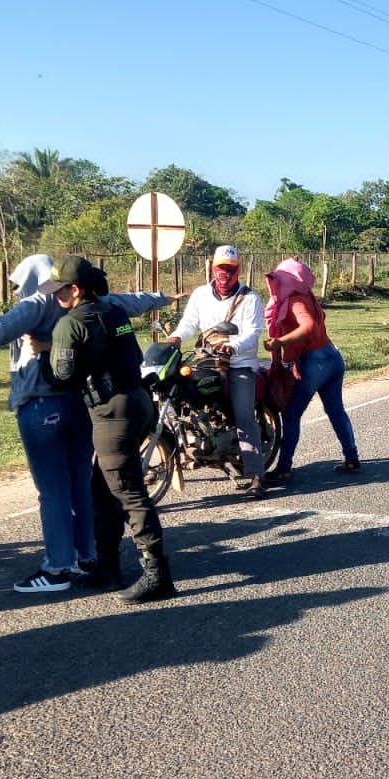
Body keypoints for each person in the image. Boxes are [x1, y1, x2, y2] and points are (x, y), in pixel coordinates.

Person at [0, 254, 171, 594]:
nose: (20, 292)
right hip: (89, 404)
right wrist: (161, 298)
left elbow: (2, 328)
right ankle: (92, 558)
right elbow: (127, 308)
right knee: (88, 484)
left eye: (21, 284)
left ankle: (62, 566)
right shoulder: (107, 308)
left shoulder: (44, 307)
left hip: (53, 403)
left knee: (69, 490)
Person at [36, 256, 175, 603]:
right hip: (138, 401)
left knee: (127, 492)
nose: (57, 296)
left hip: (112, 414)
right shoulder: (113, 312)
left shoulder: (70, 323)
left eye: (61, 289)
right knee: (103, 488)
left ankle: (158, 573)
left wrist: (44, 353)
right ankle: (108, 568)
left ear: (76, 289)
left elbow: (63, 376)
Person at [164, 244, 268, 497]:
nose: (225, 274)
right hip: (207, 359)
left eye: (230, 269)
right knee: (181, 391)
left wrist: (231, 346)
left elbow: (253, 333)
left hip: (239, 364)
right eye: (221, 268)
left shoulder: (250, 298)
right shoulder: (200, 294)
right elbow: (189, 323)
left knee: (244, 416)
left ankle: (256, 474)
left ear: (238, 270)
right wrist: (176, 338)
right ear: (212, 268)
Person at [261, 257, 360, 483]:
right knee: (336, 410)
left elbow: (308, 327)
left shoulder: (295, 301)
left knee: (291, 414)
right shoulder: (307, 295)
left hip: (316, 362)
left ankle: (284, 467)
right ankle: (352, 457)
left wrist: (280, 342)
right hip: (332, 356)